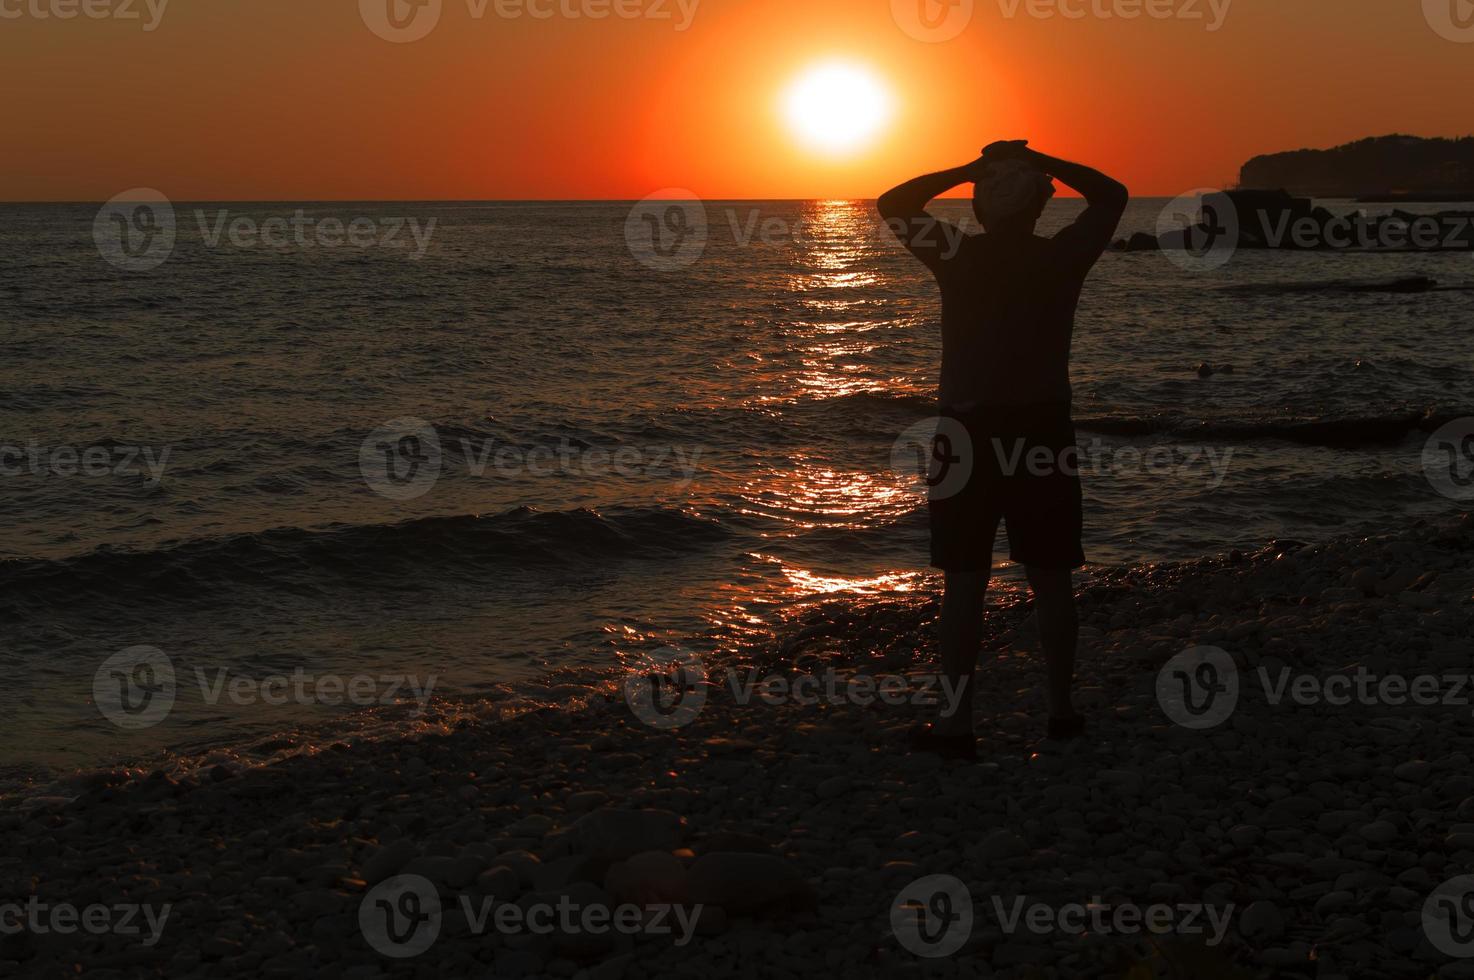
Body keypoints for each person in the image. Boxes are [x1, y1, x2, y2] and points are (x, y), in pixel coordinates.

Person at [877, 140, 1127, 759]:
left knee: (964, 584)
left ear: (980, 208)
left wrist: (969, 168)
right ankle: (1061, 712)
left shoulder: (958, 255)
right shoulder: (1063, 256)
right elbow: (1111, 194)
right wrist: (1044, 159)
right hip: (1043, 430)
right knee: (1050, 580)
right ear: (1042, 205)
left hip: (965, 435)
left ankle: (957, 725)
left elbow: (896, 201)